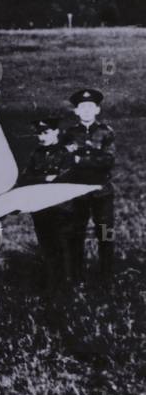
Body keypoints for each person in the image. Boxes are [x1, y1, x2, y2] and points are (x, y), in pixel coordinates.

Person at [62, 88, 116, 281]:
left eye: (90, 106)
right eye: (81, 107)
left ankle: (107, 279)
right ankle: (76, 279)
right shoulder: (69, 134)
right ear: (76, 111)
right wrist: (91, 157)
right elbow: (66, 160)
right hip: (78, 193)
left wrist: (79, 160)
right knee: (76, 234)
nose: (85, 110)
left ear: (97, 110)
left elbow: (108, 160)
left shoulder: (105, 132)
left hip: (101, 192)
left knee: (105, 234)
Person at [18, 117, 74, 285]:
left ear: (56, 131)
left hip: (62, 210)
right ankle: (52, 283)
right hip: (41, 209)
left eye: (46, 132)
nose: (41, 137)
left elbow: (67, 178)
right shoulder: (36, 154)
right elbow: (25, 177)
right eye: (38, 133)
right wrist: (45, 178)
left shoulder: (65, 153)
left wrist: (41, 179)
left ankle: (68, 283)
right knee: (47, 246)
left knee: (64, 247)